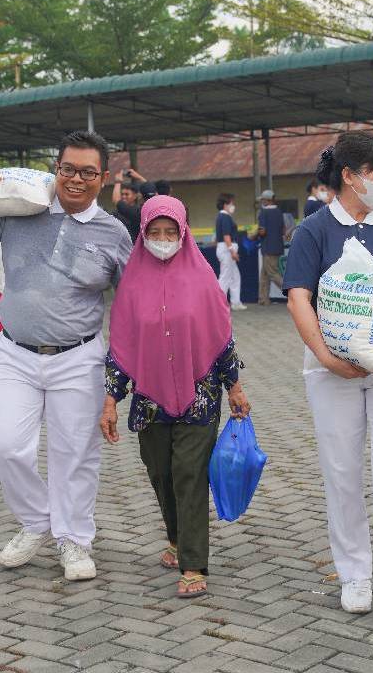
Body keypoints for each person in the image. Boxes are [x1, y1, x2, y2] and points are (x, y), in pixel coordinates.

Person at [0, 130, 133, 582]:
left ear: (103, 177)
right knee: (6, 446)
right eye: (67, 168)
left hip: (80, 357)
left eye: (87, 172)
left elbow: (133, 304)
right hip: (15, 353)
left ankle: (74, 540)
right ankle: (37, 521)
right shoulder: (23, 209)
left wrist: (124, 374)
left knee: (76, 454)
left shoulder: (114, 233)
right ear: (56, 168)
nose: (75, 179)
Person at [283, 131, 373, 634]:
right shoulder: (314, 230)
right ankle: (355, 577)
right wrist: (326, 358)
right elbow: (300, 297)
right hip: (331, 372)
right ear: (351, 175)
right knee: (342, 473)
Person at [100, 195, 251, 598]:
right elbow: (121, 345)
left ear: (183, 233)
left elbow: (221, 338)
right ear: (143, 234)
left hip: (199, 393)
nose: (163, 239)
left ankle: (193, 563)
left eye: (171, 232)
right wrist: (111, 400)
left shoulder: (201, 279)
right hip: (149, 399)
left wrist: (234, 386)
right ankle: (174, 536)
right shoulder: (131, 282)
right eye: (155, 232)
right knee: (160, 473)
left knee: (189, 474)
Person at [215, 194, 245, 311]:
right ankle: (219, 304)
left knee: (235, 277)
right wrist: (232, 251)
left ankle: (235, 302)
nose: (233, 206)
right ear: (225, 205)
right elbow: (226, 236)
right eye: (231, 203)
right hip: (227, 249)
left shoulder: (221, 217)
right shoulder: (225, 217)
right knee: (225, 277)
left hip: (225, 249)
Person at [256, 189, 285, 305]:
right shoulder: (279, 211)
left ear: (267, 200)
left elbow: (262, 232)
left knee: (272, 273)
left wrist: (254, 235)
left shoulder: (263, 212)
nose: (261, 201)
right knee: (264, 273)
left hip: (268, 247)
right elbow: (283, 229)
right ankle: (263, 299)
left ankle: (292, 292)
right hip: (277, 246)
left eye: (263, 199)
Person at [112, 168, 154, 241]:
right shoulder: (116, 214)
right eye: (122, 194)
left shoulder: (138, 211)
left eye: (127, 194)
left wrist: (118, 182)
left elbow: (116, 200)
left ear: (136, 196)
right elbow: (150, 190)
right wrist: (139, 177)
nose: (123, 196)